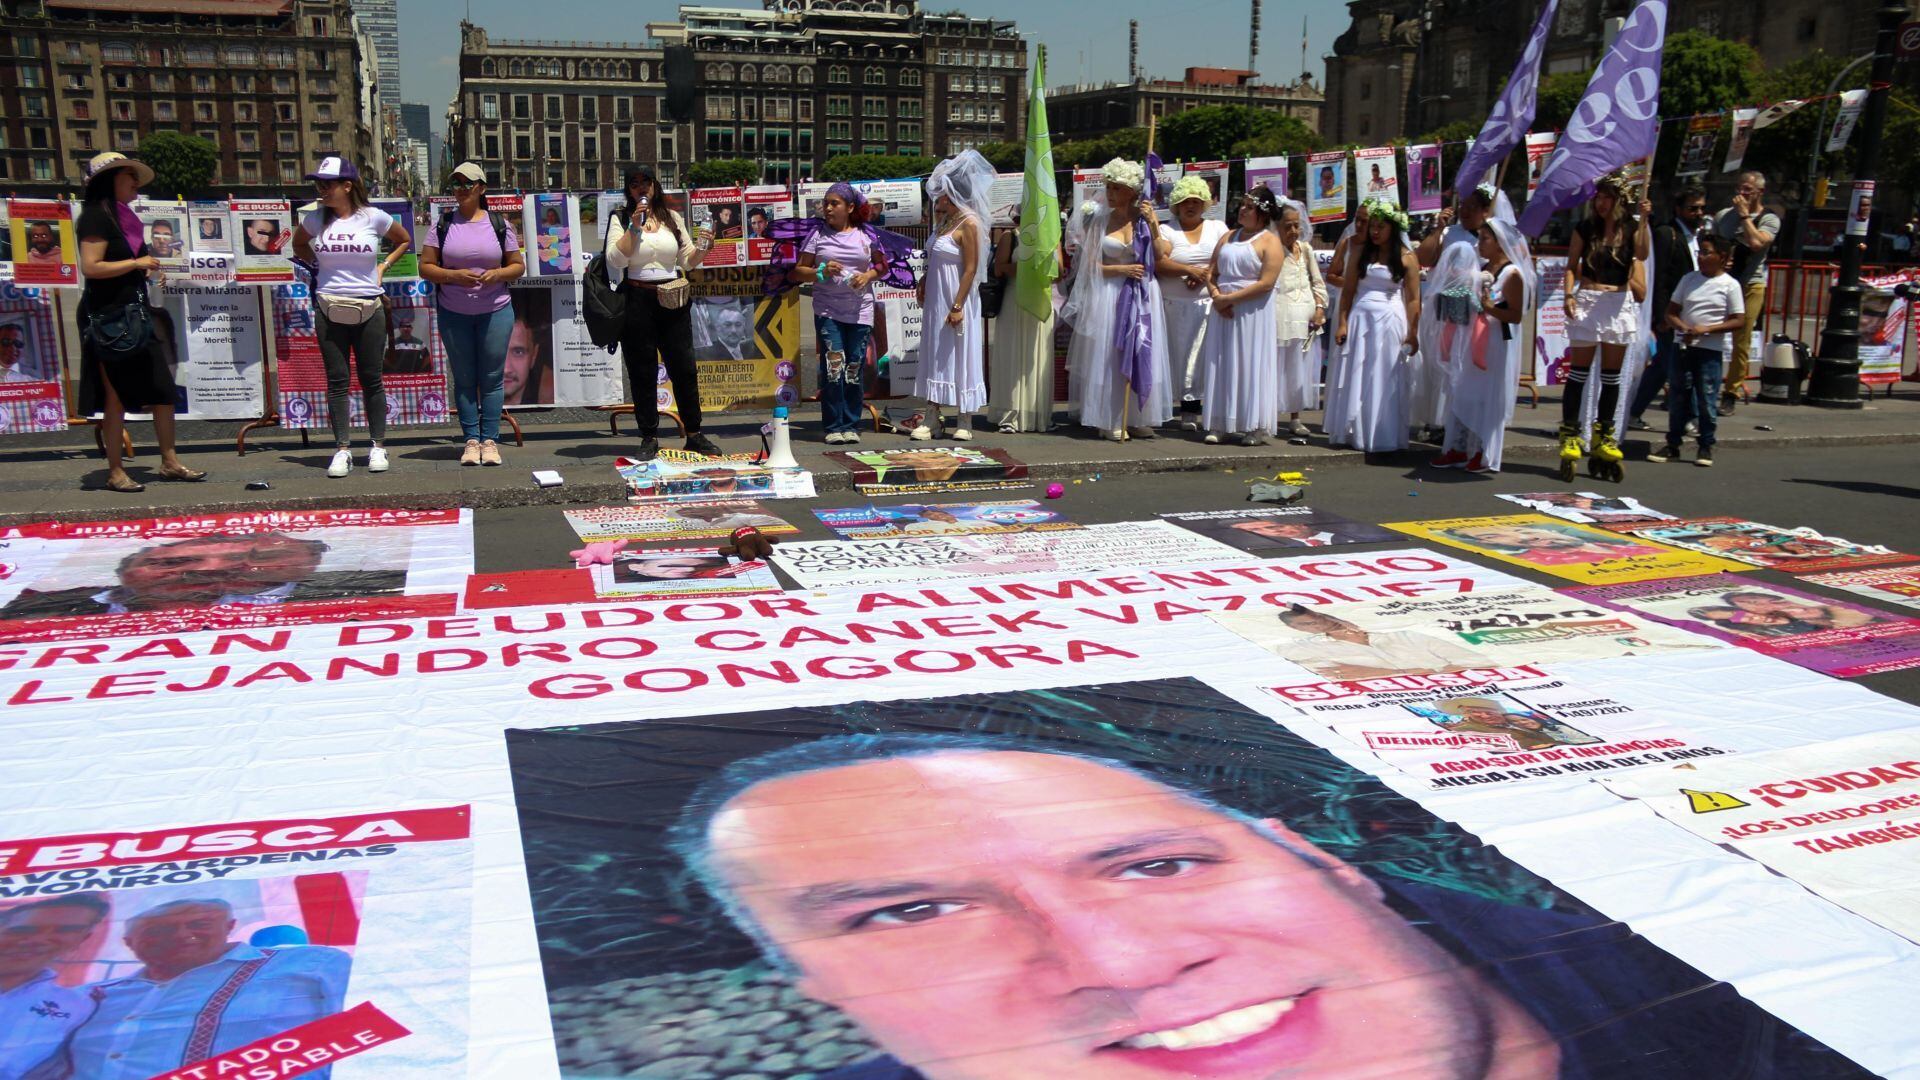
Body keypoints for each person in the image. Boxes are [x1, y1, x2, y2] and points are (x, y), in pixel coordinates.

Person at [670, 731, 1805, 1080]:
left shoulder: (1757, 1000)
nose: (1118, 961)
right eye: (908, 914)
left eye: (1154, 865)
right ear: (809, 988)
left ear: (1325, 863)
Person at [40, 898, 349, 1080]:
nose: (181, 935)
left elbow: (374, 1029)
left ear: (229, 927)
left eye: (199, 924)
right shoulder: (88, 996)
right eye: (158, 930)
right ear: (130, 942)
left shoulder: (311, 963)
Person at [74, 151, 205, 493]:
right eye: (129, 175)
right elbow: (91, 267)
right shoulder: (94, 217)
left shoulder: (122, 217)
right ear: (110, 180)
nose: (135, 182)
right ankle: (115, 471)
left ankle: (170, 462)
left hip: (136, 312)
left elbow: (130, 261)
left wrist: (147, 271)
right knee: (114, 396)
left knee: (162, 390)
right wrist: (136, 265)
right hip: (109, 317)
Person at [293, 155, 411, 479]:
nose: (322, 189)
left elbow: (403, 240)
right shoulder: (316, 220)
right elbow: (298, 243)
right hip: (327, 306)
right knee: (337, 381)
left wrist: (383, 267)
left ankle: (377, 446)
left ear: (348, 185)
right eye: (318, 184)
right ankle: (342, 449)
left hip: (369, 307)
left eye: (327, 184)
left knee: (372, 379)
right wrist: (318, 267)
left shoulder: (373, 217)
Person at [773, 183, 912, 445]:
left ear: (849, 208)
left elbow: (882, 265)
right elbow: (796, 272)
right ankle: (833, 425)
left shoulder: (865, 235)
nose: (827, 208)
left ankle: (851, 424)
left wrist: (868, 275)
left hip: (860, 311)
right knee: (834, 366)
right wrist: (820, 271)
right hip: (828, 310)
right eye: (826, 203)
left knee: (854, 367)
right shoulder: (817, 235)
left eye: (834, 203)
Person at [0, 530, 406, 618]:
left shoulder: (370, 593)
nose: (201, 572)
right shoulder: (34, 606)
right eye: (169, 562)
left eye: (253, 559)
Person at [606, 166, 719, 461]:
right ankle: (648, 435)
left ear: (655, 185)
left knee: (684, 367)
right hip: (637, 297)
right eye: (634, 183)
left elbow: (688, 261)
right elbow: (615, 259)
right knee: (642, 370)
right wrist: (634, 226)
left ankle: (694, 433)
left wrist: (705, 247)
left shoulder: (673, 218)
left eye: (646, 182)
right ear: (628, 190)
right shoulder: (620, 218)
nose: (641, 187)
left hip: (672, 296)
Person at [421, 161, 525, 467]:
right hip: (454, 311)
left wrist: (497, 274)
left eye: (467, 184)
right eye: (456, 184)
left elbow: (518, 266)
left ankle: (490, 440)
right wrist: (453, 277)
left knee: (492, 378)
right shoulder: (441, 225)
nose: (461, 190)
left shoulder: (500, 225)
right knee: (464, 377)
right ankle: (470, 440)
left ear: (481, 188)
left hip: (496, 310)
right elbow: (425, 266)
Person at [1063, 158, 1174, 442]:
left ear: (1131, 191)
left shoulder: (1143, 218)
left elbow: (1161, 255)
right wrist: (1120, 269)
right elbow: (1089, 266)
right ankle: (1109, 415)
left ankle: (1138, 415)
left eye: (1117, 188)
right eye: (1109, 187)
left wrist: (1154, 225)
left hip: (1143, 292)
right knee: (1112, 354)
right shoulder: (1098, 220)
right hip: (1110, 292)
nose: (1110, 193)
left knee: (1142, 349)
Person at [1557, 173, 1650, 480]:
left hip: (1618, 302)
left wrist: (1645, 219)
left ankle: (1603, 437)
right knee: (1579, 374)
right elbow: (1572, 265)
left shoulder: (1631, 229)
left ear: (1619, 200)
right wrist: (1568, 295)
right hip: (1589, 298)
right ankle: (1571, 434)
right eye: (1598, 198)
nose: (1601, 203)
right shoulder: (1585, 228)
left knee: (1611, 377)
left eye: (1607, 198)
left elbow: (1642, 254)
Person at [1430, 220, 1533, 473]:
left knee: (1486, 397)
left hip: (1494, 342)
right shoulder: (1483, 268)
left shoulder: (1512, 275)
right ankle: (1458, 446)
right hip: (1471, 340)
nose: (1480, 244)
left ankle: (1482, 450)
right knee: (1464, 393)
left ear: (1500, 243)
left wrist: (1486, 307)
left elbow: (1515, 315)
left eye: (1485, 239)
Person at [1327, 200, 1420, 452]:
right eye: (1373, 227)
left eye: (1380, 227)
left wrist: (1413, 332)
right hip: (1361, 317)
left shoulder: (1406, 258)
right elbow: (1347, 292)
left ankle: (1383, 433)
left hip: (1390, 318)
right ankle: (1356, 431)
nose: (1374, 231)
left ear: (1392, 227)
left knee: (1385, 374)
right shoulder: (1360, 252)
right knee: (1360, 372)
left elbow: (1413, 298)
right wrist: (1343, 322)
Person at [914, 150, 993, 440]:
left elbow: (971, 268)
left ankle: (965, 417)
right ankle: (932, 415)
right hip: (936, 297)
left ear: (951, 192)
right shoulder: (944, 221)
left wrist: (958, 304)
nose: (936, 198)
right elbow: (935, 255)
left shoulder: (969, 223)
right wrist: (924, 279)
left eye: (940, 193)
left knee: (960, 352)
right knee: (936, 351)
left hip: (957, 296)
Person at [1649, 233, 1744, 468]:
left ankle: (1706, 444)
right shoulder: (1688, 279)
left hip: (1709, 349)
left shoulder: (1730, 285)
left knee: (1706, 398)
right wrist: (1682, 327)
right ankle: (1673, 444)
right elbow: (1671, 312)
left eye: (1706, 252)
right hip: (1682, 346)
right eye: (1700, 252)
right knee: (1678, 396)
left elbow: (1738, 320)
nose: (1701, 257)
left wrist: (1708, 329)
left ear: (1721, 257)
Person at [1198, 189, 1284, 446]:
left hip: (1251, 312)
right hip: (1223, 310)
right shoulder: (1227, 236)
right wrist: (1216, 296)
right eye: (1242, 205)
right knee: (1222, 361)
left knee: (1249, 362)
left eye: (1249, 206)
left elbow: (1266, 283)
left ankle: (1253, 426)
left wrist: (1231, 299)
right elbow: (1211, 273)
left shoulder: (1270, 242)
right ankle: (1221, 422)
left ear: (1262, 212)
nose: (1243, 210)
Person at [0, 896, 107, 1080]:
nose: (39, 940)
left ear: (83, 938)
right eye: (23, 929)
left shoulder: (79, 1006)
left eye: (64, 930)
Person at [1630, 185, 1707, 430]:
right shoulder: (1667, 234)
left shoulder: (1699, 237)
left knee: (1672, 365)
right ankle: (1688, 418)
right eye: (1692, 208)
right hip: (1671, 313)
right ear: (1678, 209)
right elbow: (1658, 278)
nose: (1698, 213)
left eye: (1702, 208)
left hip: (1693, 311)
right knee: (1672, 366)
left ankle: (1635, 411)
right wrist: (1661, 315)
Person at [1156, 176, 1229, 429]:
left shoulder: (1218, 228)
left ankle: (1197, 409)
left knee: (1203, 358)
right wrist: (1187, 270)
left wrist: (1204, 274)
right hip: (1174, 307)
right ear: (1177, 204)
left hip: (1208, 305)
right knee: (1177, 357)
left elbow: (1226, 257)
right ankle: (1172, 408)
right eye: (1186, 201)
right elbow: (1160, 262)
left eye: (1196, 201)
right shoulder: (1167, 230)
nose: (1191, 206)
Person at [1272, 605, 1499, 678]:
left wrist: (1372, 672)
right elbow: (1333, 675)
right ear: (1294, 628)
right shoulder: (1300, 648)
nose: (1319, 625)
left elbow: (1479, 661)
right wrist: (1434, 669)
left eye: (1320, 618)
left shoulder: (1404, 635)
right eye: (1307, 624)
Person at [1712, 171, 1779, 414]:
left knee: (1742, 338)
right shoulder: (1723, 216)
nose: (1742, 194)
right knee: (1709, 333)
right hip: (1723, 282)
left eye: (1748, 190)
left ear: (1760, 192)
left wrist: (1744, 216)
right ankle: (1703, 386)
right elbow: (1712, 244)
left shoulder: (1770, 219)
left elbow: (1757, 243)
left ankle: (1731, 391)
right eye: (1740, 188)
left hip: (1751, 283)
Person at [987, 209, 1060, 433]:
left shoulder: (1052, 236)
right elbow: (999, 268)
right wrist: (1028, 269)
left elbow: (1060, 270)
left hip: (1040, 301)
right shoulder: (1011, 236)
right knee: (1013, 355)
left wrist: (1044, 268)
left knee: (1037, 358)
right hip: (1014, 301)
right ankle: (1010, 414)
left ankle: (1038, 415)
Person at [1271, 199, 1327, 439]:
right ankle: (1268, 415)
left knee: (1298, 370)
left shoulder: (1305, 250)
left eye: (1296, 225)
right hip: (1279, 314)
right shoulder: (1272, 251)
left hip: (1304, 317)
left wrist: (1320, 308)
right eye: (1287, 226)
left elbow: (1318, 282)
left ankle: (1295, 417)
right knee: (1276, 368)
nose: (1293, 231)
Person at [1438, 522, 1666, 565]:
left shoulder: (1628, 546)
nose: (1527, 536)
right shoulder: (1537, 558)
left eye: (1520, 529)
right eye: (1493, 537)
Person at [1433, 698, 1602, 750]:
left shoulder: (1520, 724)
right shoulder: (1465, 730)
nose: (1484, 715)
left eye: (1489, 711)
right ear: (1467, 716)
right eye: (1475, 712)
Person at [504, 288, 553, 407]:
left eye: (518, 352)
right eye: (496, 350)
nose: (506, 369)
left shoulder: (549, 392)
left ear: (534, 355)